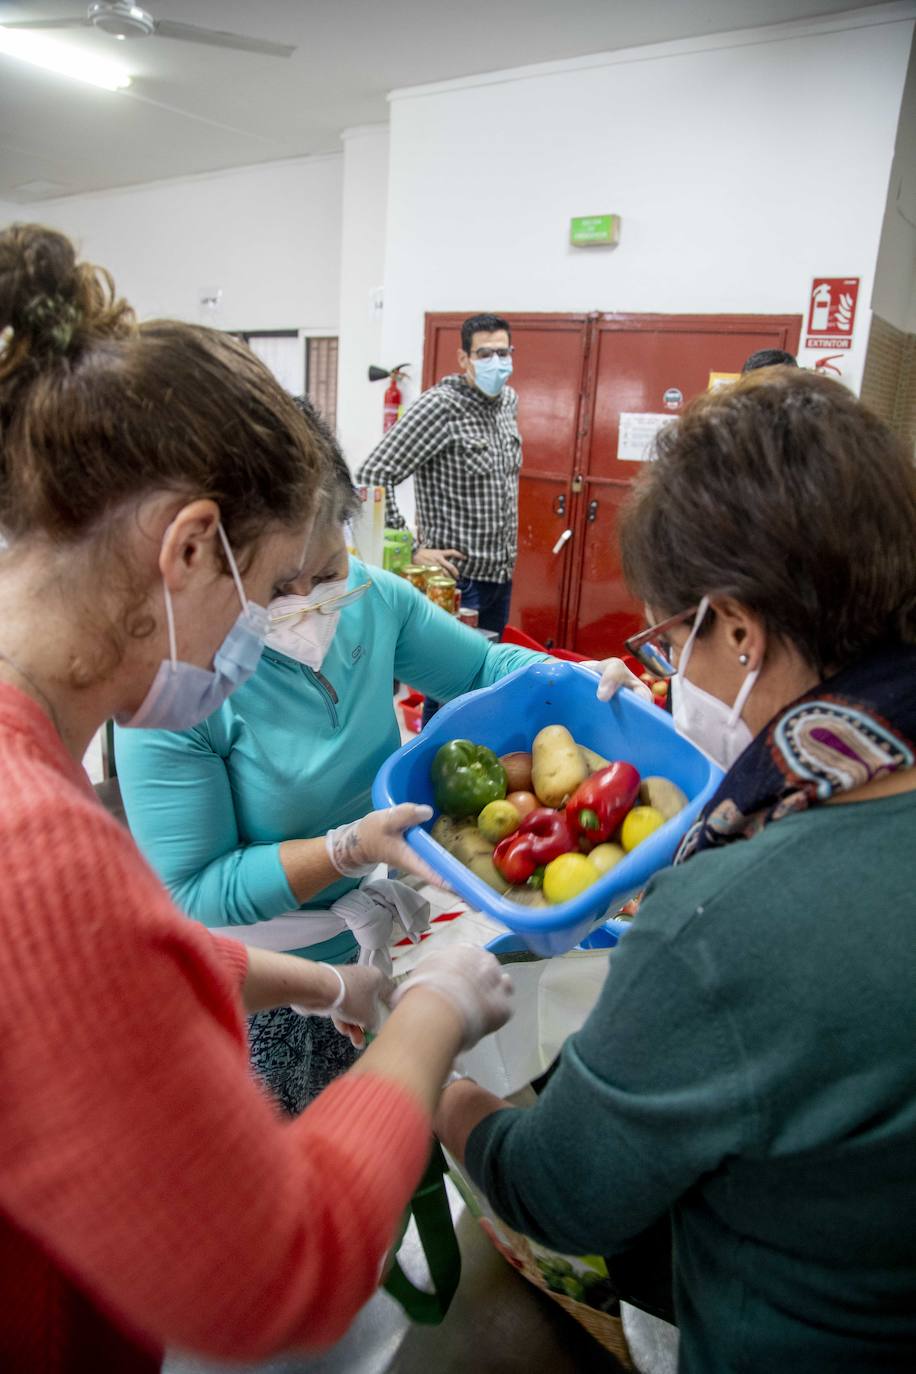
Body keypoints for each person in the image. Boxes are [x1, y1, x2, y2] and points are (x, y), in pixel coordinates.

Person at [0, 223, 514, 1374]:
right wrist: (430, 1009)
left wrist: (335, 979)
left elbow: (109, 973)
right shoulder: (36, 851)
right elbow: (271, 1276)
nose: (285, 623)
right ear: (188, 551)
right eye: (275, 587)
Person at [436, 369, 916, 1373]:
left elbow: (561, 1189)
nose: (666, 676)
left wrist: (426, 1079)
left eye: (668, 640)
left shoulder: (728, 918)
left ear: (738, 628)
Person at [115, 400, 645, 1112]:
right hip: (264, 983)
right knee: (301, 1186)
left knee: (389, 1151)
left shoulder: (371, 601)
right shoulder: (176, 686)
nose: (309, 603)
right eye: (276, 588)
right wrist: (344, 848)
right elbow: (193, 888)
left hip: (378, 940)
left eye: (326, 569)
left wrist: (587, 683)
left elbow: (487, 674)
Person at [358, 313, 521, 724]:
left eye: (503, 352)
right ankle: (434, 773)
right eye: (485, 353)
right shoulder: (440, 406)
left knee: (487, 687)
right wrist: (413, 547)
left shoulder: (508, 402)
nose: (496, 362)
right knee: (450, 690)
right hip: (458, 580)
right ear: (464, 359)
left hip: (499, 575)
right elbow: (374, 473)